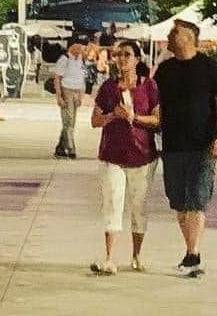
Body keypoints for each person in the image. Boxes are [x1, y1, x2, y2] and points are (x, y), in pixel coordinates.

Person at [153, 20, 217, 277]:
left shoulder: (209, 67)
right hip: (173, 144)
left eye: (174, 33)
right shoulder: (164, 70)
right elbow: (156, 105)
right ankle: (190, 250)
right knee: (179, 201)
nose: (169, 36)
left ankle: (193, 254)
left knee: (196, 198)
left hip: (203, 144)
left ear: (187, 38)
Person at [89, 40, 160, 275]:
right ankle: (109, 258)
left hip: (143, 155)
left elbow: (158, 119)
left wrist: (134, 117)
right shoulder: (109, 87)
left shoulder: (149, 87)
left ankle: (137, 255)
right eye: (118, 55)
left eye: (127, 54)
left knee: (138, 207)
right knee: (113, 204)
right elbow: (95, 120)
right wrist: (113, 115)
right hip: (112, 154)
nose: (122, 59)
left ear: (137, 59)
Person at [54, 44, 88, 159]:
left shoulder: (80, 60)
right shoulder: (64, 59)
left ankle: (60, 148)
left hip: (76, 91)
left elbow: (82, 77)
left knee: (71, 122)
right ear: (73, 48)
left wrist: (81, 96)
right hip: (66, 90)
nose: (81, 50)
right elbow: (57, 78)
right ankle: (70, 147)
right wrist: (59, 96)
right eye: (79, 48)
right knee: (68, 120)